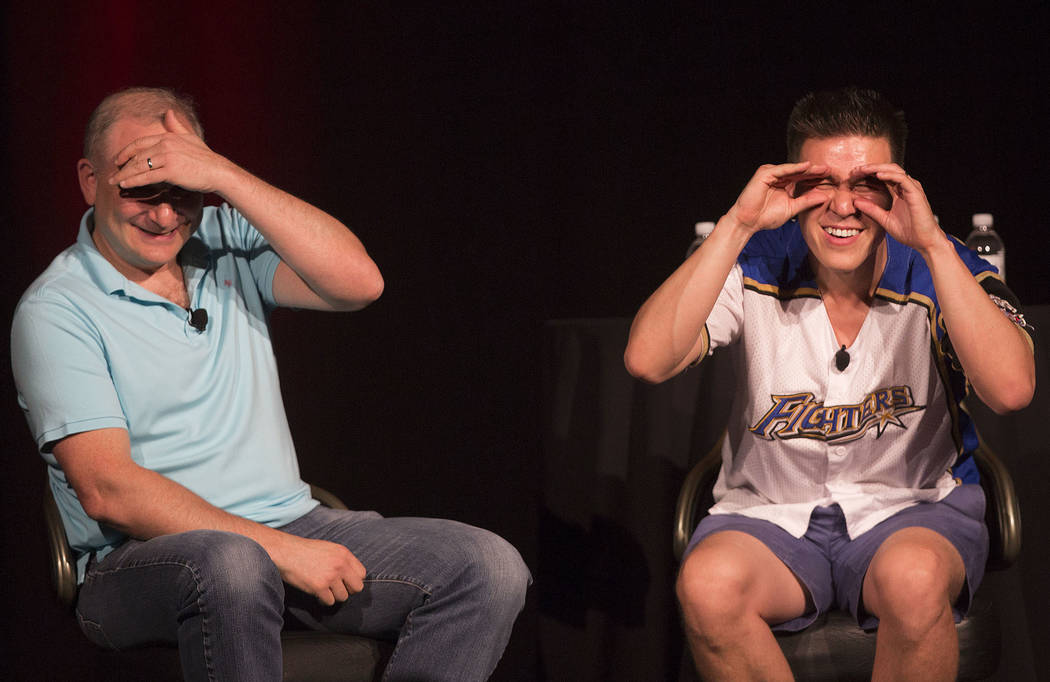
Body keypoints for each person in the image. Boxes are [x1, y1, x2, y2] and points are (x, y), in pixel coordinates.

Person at [11, 87, 530, 682]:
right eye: (141, 189)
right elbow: (109, 491)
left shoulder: (225, 239)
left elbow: (359, 283)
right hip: (135, 563)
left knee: (487, 567)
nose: (163, 215)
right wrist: (277, 552)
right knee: (233, 565)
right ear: (89, 179)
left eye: (183, 190)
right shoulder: (57, 309)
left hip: (288, 526)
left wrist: (225, 175)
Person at [624, 87, 1034, 681]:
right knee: (707, 586)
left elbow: (1011, 390)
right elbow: (647, 360)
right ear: (792, 187)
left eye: (865, 184)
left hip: (912, 509)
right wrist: (737, 225)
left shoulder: (943, 265)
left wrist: (933, 247)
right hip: (769, 514)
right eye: (823, 185)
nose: (843, 207)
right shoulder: (757, 259)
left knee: (913, 581)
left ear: (898, 188)